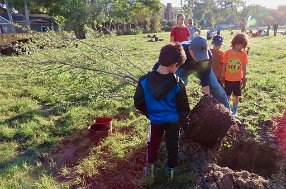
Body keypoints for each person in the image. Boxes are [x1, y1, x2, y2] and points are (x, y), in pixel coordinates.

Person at [134, 43, 190, 180]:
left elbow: (138, 103)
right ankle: (170, 174)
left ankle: (151, 170)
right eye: (178, 66)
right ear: (174, 65)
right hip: (173, 121)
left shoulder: (144, 81)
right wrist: (186, 125)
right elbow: (183, 108)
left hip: (155, 121)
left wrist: (150, 113)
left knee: (152, 144)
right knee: (172, 146)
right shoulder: (178, 84)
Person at [221, 33, 248, 116]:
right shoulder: (227, 53)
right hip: (228, 78)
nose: (239, 47)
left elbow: (244, 67)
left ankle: (234, 111)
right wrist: (222, 76)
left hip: (237, 79)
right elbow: (224, 65)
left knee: (236, 96)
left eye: (241, 46)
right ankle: (227, 109)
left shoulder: (243, 54)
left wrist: (244, 78)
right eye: (238, 45)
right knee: (227, 96)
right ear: (234, 43)